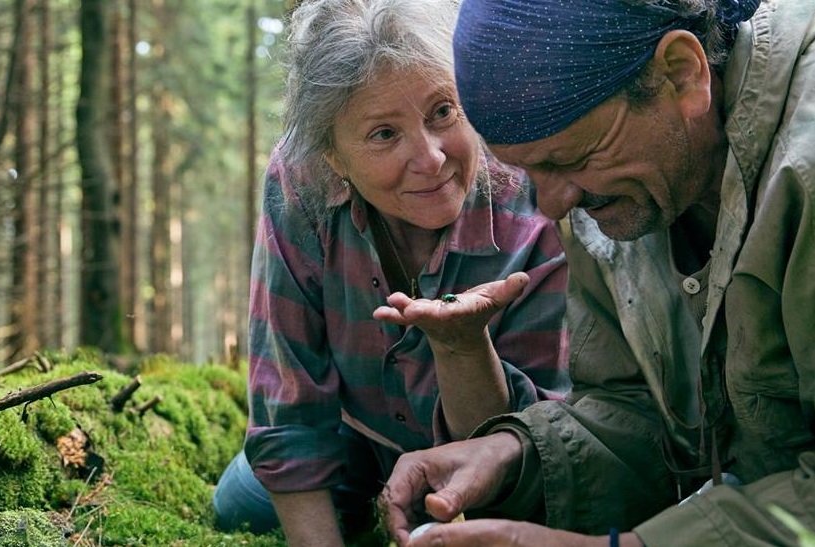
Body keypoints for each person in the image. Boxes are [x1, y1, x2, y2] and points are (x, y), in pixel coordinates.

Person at [381, 0, 815, 545]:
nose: (554, 206)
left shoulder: (806, 170)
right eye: (529, 171)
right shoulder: (621, 198)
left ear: (682, 72)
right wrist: (518, 455)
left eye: (568, 160)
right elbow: (636, 410)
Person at [210, 0, 571, 544]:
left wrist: (463, 349)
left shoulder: (530, 188)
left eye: (443, 112)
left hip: (495, 458)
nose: (429, 159)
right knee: (241, 506)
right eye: (384, 134)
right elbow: (289, 400)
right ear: (334, 157)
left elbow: (533, 441)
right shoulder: (299, 181)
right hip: (352, 433)